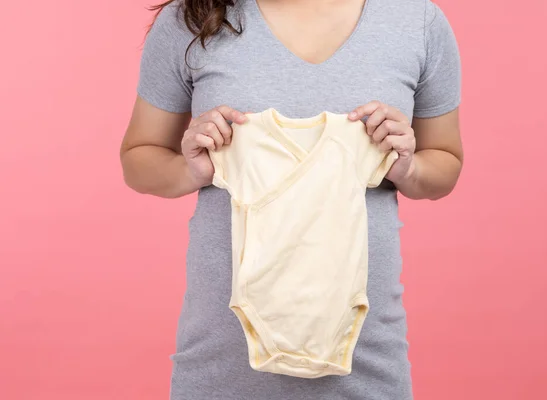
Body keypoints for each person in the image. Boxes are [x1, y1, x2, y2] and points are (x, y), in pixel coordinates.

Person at [120, 0, 463, 398]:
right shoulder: (191, 17)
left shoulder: (416, 21)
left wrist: (408, 168)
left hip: (364, 349)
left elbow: (445, 165)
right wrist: (191, 169)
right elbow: (137, 159)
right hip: (224, 351)